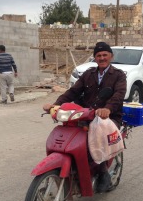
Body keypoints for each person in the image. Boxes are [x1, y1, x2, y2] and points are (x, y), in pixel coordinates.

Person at [43, 42, 127, 192]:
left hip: (109, 117)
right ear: (95, 58)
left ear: (111, 56)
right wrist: (55, 105)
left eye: (104, 55)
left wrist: (107, 109)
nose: (102, 58)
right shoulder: (89, 74)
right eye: (98, 55)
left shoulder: (119, 76)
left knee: (96, 137)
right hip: (87, 114)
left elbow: (118, 96)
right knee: (72, 133)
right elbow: (73, 92)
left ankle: (102, 173)